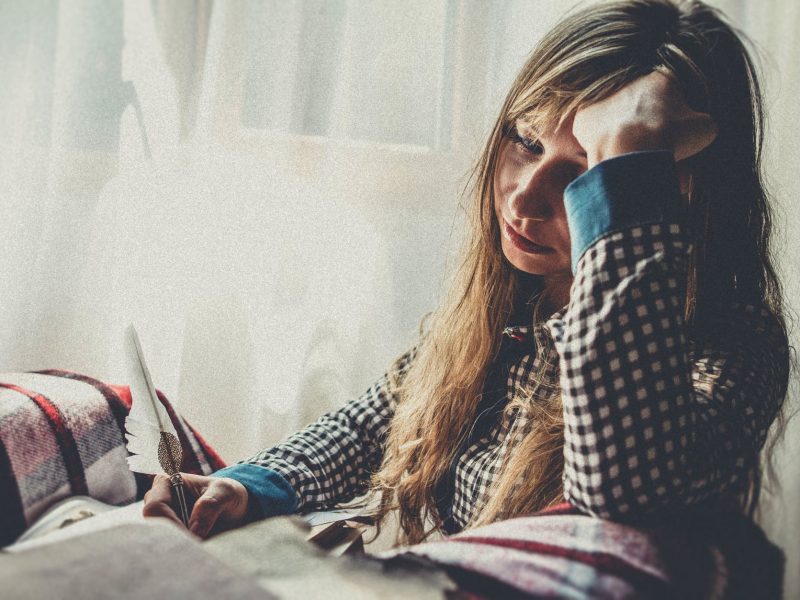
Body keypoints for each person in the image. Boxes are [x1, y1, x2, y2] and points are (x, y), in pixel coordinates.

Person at [143, 0, 792, 548]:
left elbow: (621, 494)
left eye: (585, 172)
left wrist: (627, 169)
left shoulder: (738, 345)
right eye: (527, 142)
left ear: (674, 195)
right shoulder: (514, 307)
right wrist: (250, 487)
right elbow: (378, 420)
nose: (524, 199)